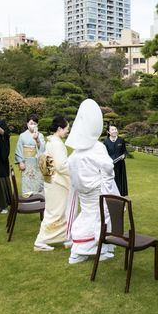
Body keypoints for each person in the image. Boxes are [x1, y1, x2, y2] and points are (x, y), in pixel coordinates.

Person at [65, 99, 119, 264]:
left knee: (89, 215)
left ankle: (89, 250)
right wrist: (107, 188)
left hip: (83, 190)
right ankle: (92, 249)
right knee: (98, 217)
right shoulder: (97, 147)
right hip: (97, 190)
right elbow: (108, 167)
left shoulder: (76, 152)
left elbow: (71, 168)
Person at [33, 116, 71, 251]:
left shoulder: (52, 141)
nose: (67, 131)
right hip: (57, 182)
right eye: (66, 128)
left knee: (58, 211)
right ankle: (41, 240)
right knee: (55, 212)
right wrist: (76, 170)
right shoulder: (57, 143)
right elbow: (61, 166)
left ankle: (65, 236)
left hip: (52, 180)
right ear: (59, 128)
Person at [14, 114, 46, 196]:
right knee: (27, 181)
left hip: (37, 162)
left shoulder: (40, 135)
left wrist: (37, 139)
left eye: (35, 123)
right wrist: (20, 162)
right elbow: (19, 149)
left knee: (38, 182)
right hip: (26, 162)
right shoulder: (22, 136)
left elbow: (42, 149)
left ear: (37, 125)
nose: (33, 125)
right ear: (27, 124)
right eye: (31, 123)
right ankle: (27, 198)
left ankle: (38, 198)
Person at [103, 123, 128, 196]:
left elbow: (125, 151)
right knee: (111, 181)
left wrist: (124, 156)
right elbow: (104, 154)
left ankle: (121, 197)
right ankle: (111, 197)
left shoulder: (121, 140)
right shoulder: (106, 141)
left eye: (115, 129)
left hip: (120, 166)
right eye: (112, 130)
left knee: (120, 182)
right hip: (110, 166)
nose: (114, 131)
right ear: (108, 132)